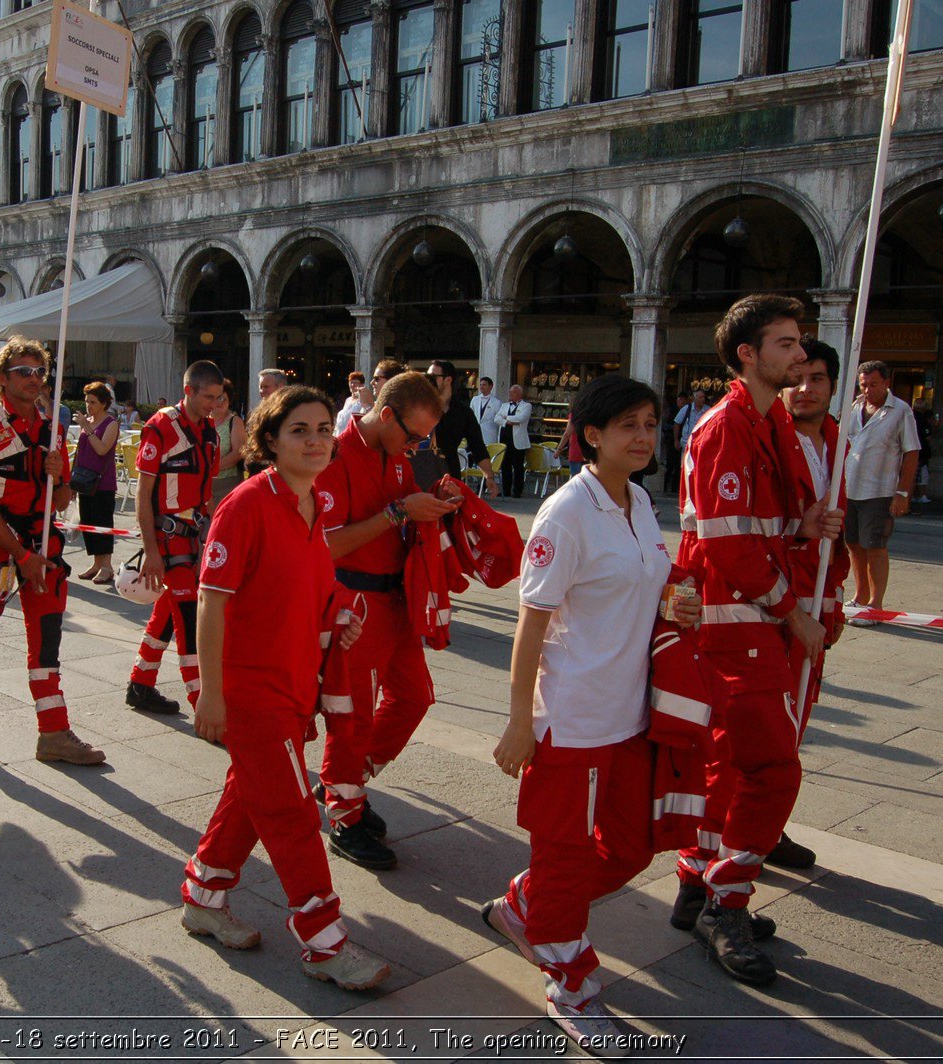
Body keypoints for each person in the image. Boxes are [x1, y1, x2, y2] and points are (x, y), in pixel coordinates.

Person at [487, 374, 693, 1054]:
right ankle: (570, 987)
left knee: (633, 846)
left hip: (630, 714)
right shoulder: (565, 514)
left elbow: (643, 586)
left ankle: (529, 903)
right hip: (569, 719)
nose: (642, 436)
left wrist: (675, 603)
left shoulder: (637, 499)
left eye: (650, 423)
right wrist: (521, 719)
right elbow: (531, 621)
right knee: (568, 861)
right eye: (627, 424)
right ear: (591, 435)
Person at [181, 384, 391, 991]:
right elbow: (211, 604)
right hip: (250, 693)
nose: (317, 440)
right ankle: (325, 945)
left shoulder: (317, 505)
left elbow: (310, 590)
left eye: (325, 428)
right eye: (300, 429)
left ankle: (203, 895)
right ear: (270, 441)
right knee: (295, 814)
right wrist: (210, 695)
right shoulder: (244, 506)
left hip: (294, 687)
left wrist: (338, 619)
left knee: (249, 799)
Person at [670, 294, 841, 988]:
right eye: (785, 344)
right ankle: (725, 900)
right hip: (738, 624)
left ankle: (695, 885)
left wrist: (806, 527)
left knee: (730, 767)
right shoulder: (727, 428)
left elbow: (764, 527)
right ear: (747, 354)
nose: (799, 356)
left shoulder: (770, 423)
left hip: (752, 623)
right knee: (773, 769)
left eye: (800, 343)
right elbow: (729, 541)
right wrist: (791, 608)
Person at [0, 338, 105, 764]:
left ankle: (54, 732)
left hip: (43, 544)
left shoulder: (53, 430)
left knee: (46, 641)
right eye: (23, 371)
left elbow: (61, 500)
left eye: (39, 372)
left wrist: (59, 477)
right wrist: (20, 557)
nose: (33, 379)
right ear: (3, 378)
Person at [315, 371, 459, 869]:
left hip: (394, 601)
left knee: (414, 697)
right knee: (350, 714)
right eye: (414, 436)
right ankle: (344, 814)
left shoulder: (399, 456)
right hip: (354, 604)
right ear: (386, 413)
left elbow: (401, 519)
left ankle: (343, 784)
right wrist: (400, 512)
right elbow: (327, 544)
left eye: (425, 439)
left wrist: (436, 502)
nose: (418, 447)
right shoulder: (334, 456)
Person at [773, 335, 851, 871]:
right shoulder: (764, 438)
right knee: (764, 722)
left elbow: (838, 537)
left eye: (817, 379)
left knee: (796, 717)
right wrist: (796, 531)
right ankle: (737, 829)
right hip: (770, 602)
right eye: (797, 377)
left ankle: (769, 823)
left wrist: (835, 600)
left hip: (817, 599)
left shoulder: (839, 442)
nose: (804, 389)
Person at [125, 361, 223, 716]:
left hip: (194, 537)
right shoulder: (160, 427)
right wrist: (151, 550)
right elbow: (142, 492)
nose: (215, 404)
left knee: (168, 613)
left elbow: (206, 488)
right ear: (188, 391)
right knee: (189, 618)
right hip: (168, 541)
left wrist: (212, 531)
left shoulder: (208, 429)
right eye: (209, 397)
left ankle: (141, 684)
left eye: (218, 397)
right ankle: (203, 705)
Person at [844, 360, 920, 623]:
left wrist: (902, 493)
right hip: (850, 487)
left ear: (887, 383)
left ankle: (876, 605)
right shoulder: (854, 407)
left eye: (873, 384)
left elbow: (911, 451)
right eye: (863, 385)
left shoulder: (900, 410)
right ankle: (861, 595)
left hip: (880, 490)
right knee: (853, 544)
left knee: (875, 546)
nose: (867, 390)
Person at [422, 360, 498, 496]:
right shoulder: (419, 407)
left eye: (433, 377)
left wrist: (489, 477)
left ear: (448, 379)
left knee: (449, 515)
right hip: (421, 472)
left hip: (449, 475)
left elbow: (478, 447)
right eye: (427, 376)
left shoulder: (463, 412)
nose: (428, 381)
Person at [73, 381, 120, 584]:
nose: (88, 406)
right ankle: (96, 562)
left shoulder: (110, 423)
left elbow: (102, 449)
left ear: (103, 403)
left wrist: (87, 428)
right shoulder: (88, 421)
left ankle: (106, 565)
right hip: (83, 480)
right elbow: (79, 451)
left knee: (102, 522)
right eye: (86, 401)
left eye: (92, 402)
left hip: (102, 482)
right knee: (88, 522)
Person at [242, 368, 290, 479]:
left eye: (266, 387)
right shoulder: (257, 412)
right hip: (256, 471)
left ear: (280, 387)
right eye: (261, 387)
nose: (262, 391)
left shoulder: (291, 413)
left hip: (279, 471)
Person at [210, 381, 247, 497]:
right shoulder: (201, 421)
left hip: (228, 485)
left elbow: (238, 452)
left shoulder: (235, 421)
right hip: (205, 486)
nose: (219, 402)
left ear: (229, 401)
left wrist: (211, 468)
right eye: (216, 398)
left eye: (223, 399)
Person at [498, 385, 534, 498]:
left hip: (518, 440)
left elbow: (521, 418)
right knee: (505, 465)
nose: (510, 395)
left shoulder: (526, 406)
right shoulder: (504, 405)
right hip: (505, 438)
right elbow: (496, 418)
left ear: (519, 394)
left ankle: (517, 491)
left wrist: (506, 418)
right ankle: (506, 490)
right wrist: (507, 421)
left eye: (513, 393)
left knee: (518, 466)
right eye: (510, 392)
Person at [470, 376, 502, 447]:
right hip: (475, 435)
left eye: (484, 385)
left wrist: (499, 437)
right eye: (480, 385)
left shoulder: (497, 402)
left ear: (491, 387)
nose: (481, 387)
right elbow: (470, 416)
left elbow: (499, 421)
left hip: (490, 436)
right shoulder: (475, 399)